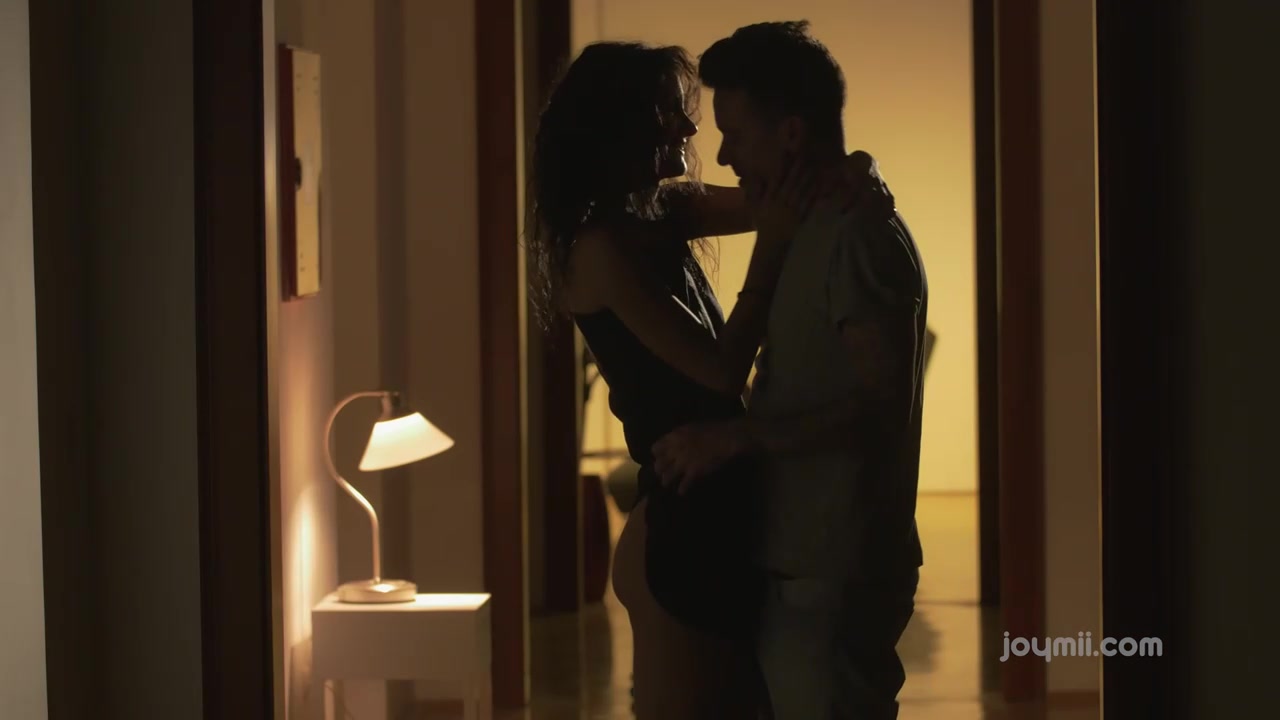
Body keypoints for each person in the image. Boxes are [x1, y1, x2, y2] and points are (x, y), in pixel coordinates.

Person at [527, 40, 893, 720]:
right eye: (669, 111)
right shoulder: (598, 250)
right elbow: (721, 372)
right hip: (679, 529)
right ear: (620, 124)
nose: (690, 126)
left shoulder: (664, 211)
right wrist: (772, 251)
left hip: (713, 519)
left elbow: (787, 189)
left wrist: (858, 169)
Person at [652, 21, 928, 720]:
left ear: (792, 135)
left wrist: (737, 437)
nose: (722, 155)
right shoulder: (813, 217)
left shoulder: (854, 232)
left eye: (735, 135)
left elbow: (881, 408)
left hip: (834, 567)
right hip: (805, 562)